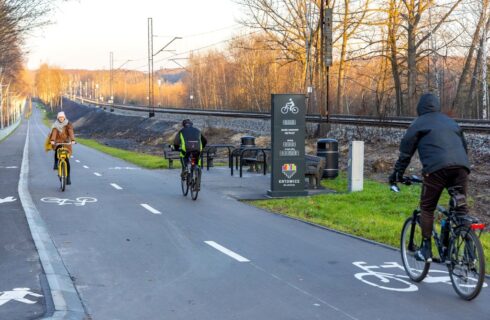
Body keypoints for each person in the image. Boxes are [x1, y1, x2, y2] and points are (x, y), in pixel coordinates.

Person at [390, 93, 470, 262]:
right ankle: (470, 252)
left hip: (436, 170)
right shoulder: (450, 121)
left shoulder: (419, 123)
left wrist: (397, 174)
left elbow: (406, 151)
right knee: (460, 207)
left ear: (420, 107)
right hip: (461, 167)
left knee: (427, 208)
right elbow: (464, 146)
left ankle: (425, 248)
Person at [50, 111, 76, 185]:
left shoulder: (68, 124)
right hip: (58, 141)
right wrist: (52, 140)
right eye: (60, 117)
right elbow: (54, 133)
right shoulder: (55, 125)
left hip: (66, 142)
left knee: (67, 160)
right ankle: (55, 163)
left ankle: (68, 177)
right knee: (57, 150)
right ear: (58, 118)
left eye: (62, 117)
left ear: (64, 117)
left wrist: (72, 140)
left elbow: (71, 132)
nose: (61, 119)